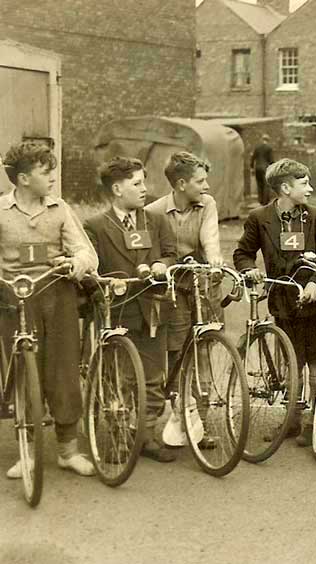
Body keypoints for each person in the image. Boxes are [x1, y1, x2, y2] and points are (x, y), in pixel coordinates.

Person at [1, 141, 98, 478]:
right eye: (46, 172)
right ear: (24, 179)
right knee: (23, 375)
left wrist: (75, 263)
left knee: (64, 373)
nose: (53, 178)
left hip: (58, 297)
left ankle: (67, 450)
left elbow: (87, 253)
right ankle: (26, 453)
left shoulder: (60, 209)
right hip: (14, 300)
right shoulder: (0, 211)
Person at [233, 158, 316, 446]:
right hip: (283, 303)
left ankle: (313, 420)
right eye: (305, 184)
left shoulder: (315, 217)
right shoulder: (259, 218)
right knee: (292, 362)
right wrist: (248, 268)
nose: (311, 189)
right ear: (285, 187)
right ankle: (291, 420)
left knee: (315, 363)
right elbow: (242, 252)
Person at [84, 156, 178, 463]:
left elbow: (170, 253)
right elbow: (90, 273)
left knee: (152, 378)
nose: (144, 189)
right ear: (116, 188)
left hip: (152, 309)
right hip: (118, 311)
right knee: (119, 378)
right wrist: (102, 292)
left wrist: (161, 265)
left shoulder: (156, 220)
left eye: (144, 182)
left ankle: (146, 433)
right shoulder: (96, 226)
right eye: (136, 183)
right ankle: (118, 435)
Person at [145, 151, 225, 369]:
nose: (206, 186)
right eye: (200, 181)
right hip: (174, 285)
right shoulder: (153, 212)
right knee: (176, 344)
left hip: (203, 282)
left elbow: (209, 236)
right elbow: (153, 252)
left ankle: (204, 398)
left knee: (207, 338)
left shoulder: (207, 204)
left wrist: (214, 258)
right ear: (181, 184)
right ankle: (177, 392)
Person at [251, 135, 275, 206]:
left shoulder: (257, 148)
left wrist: (252, 168)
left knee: (259, 184)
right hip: (265, 168)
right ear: (268, 140)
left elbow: (252, 158)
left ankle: (260, 200)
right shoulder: (269, 148)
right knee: (266, 185)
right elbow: (271, 160)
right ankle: (265, 202)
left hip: (257, 168)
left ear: (262, 139)